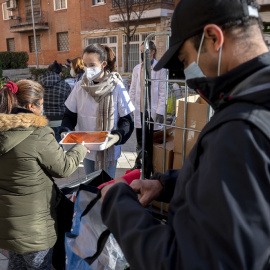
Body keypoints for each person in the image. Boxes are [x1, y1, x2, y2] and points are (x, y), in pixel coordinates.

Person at [100, 0, 270, 269]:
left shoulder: (241, 129)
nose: (188, 73)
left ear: (214, 38)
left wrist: (118, 206)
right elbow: (243, 183)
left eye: (186, 60)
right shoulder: (255, 104)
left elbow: (192, 262)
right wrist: (166, 185)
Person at [0, 80, 87, 270]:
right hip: (35, 230)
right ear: (31, 106)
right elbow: (63, 168)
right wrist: (80, 148)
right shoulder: (38, 133)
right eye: (41, 103)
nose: (43, 108)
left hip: (8, 227)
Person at [61, 44, 135, 178]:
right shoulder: (80, 86)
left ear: (103, 64)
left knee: (106, 188)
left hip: (108, 148)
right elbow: (70, 115)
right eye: (85, 65)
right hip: (86, 148)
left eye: (92, 65)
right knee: (91, 186)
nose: (88, 69)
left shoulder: (116, 86)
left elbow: (127, 120)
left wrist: (118, 136)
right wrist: (65, 130)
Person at [129, 41, 166, 169]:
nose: (142, 54)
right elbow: (133, 89)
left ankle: (151, 166)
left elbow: (163, 92)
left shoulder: (160, 69)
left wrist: (160, 111)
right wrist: (131, 107)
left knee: (151, 140)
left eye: (144, 51)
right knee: (140, 139)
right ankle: (139, 164)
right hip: (139, 109)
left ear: (152, 52)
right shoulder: (137, 69)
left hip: (153, 110)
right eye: (141, 52)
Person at [38, 60, 72, 142]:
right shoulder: (64, 85)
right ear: (60, 73)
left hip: (45, 120)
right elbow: (70, 104)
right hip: (61, 121)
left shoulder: (39, 84)